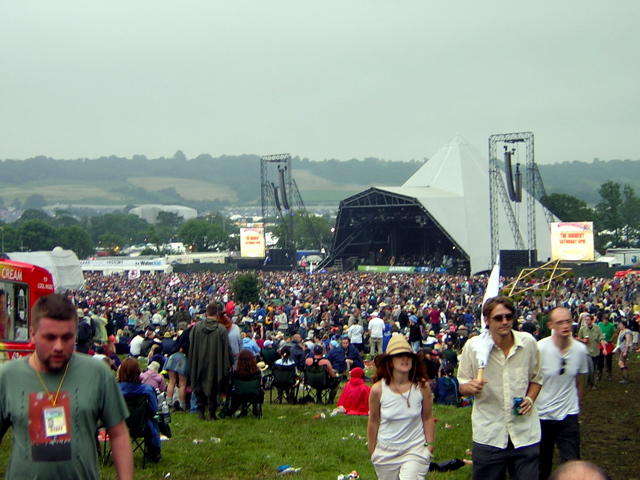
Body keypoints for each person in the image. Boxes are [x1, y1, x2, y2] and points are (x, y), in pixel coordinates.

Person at [0, 293, 133, 479]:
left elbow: (118, 434)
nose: (58, 346)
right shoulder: (7, 377)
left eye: (67, 337)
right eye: (50, 337)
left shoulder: (97, 373)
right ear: (32, 333)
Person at [458, 296, 542, 480]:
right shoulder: (473, 347)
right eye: (498, 318)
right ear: (486, 321)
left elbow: (537, 378)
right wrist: (470, 388)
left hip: (524, 434)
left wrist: (529, 398)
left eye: (509, 317)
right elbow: (462, 385)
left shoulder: (528, 343)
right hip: (489, 434)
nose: (505, 322)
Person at [367, 334, 435, 479]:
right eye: (400, 355)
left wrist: (429, 446)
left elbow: (428, 418)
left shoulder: (422, 387)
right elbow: (373, 421)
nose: (405, 359)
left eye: (408, 356)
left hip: (415, 449)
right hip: (386, 452)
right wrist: (372, 450)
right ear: (390, 361)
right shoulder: (378, 389)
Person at [537, 307, 589, 480]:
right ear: (551, 325)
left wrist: (578, 409)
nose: (566, 326)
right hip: (543, 415)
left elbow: (577, 382)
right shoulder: (540, 348)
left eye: (568, 321)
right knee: (542, 464)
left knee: (572, 464)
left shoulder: (580, 350)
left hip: (568, 414)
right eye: (560, 322)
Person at [188, 301, 233, 420]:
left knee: (199, 384)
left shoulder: (196, 327)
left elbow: (191, 345)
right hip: (216, 363)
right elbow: (227, 348)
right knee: (213, 385)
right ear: (217, 314)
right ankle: (212, 413)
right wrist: (230, 361)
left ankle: (201, 411)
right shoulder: (221, 329)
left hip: (199, 361)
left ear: (206, 313)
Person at [117, 358, 162, 463]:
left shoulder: (114, 389)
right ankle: (154, 453)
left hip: (118, 425)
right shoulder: (147, 390)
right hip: (142, 426)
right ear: (138, 371)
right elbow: (154, 409)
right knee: (154, 420)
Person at [577, 313, 604, 389]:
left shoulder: (597, 328)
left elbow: (601, 338)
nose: (586, 321)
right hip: (587, 351)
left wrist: (604, 348)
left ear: (592, 320)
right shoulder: (582, 329)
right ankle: (593, 384)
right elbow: (578, 339)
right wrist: (583, 340)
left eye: (588, 320)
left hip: (595, 351)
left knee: (594, 368)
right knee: (591, 368)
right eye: (586, 320)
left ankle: (590, 382)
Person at [597, 314, 615, 381]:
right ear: (602, 319)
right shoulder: (599, 325)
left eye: (607, 319)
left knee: (608, 360)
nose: (606, 321)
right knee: (600, 360)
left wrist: (611, 339)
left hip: (608, 344)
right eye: (605, 319)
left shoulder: (611, 325)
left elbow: (614, 333)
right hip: (601, 343)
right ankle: (599, 374)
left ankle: (609, 374)